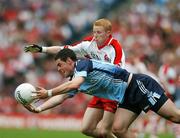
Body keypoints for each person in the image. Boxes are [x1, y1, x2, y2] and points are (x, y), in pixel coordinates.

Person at [27, 48, 180, 138]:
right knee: (118, 129)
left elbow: (75, 84)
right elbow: (61, 97)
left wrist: (48, 92)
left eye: (60, 65)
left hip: (137, 85)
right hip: (125, 97)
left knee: (175, 117)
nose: (59, 69)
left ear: (69, 61)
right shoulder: (75, 77)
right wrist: (39, 108)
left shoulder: (83, 64)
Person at [25, 18, 125, 138]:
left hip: (111, 88)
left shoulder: (115, 48)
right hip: (97, 88)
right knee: (86, 129)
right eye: (94, 32)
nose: (95, 36)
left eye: (99, 32)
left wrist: (48, 93)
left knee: (108, 131)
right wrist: (42, 49)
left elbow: (118, 73)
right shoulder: (88, 45)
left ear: (108, 33)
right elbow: (65, 50)